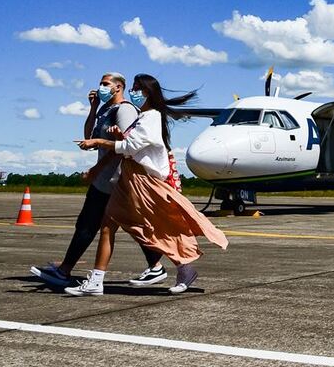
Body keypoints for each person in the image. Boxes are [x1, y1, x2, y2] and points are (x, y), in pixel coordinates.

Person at [66, 74, 228, 296]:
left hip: (145, 182)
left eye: (137, 89)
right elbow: (133, 144)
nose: (134, 93)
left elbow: (132, 147)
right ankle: (97, 280)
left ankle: (182, 268)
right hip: (131, 179)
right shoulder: (144, 116)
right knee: (109, 227)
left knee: (157, 228)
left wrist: (101, 141)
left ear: (148, 93)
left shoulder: (151, 117)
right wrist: (117, 136)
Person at [30, 72, 166, 288]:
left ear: (118, 87)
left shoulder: (125, 110)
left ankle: (69, 272)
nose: (100, 87)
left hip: (115, 179)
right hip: (104, 179)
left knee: (95, 225)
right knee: (107, 224)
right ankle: (156, 267)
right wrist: (93, 108)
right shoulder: (106, 109)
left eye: (105, 84)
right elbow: (88, 135)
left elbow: (123, 147)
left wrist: (95, 169)